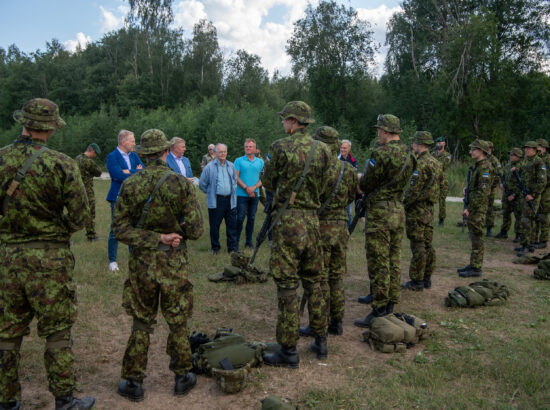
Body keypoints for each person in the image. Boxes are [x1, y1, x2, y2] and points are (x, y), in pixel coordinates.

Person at [0, 98, 95, 410]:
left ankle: (6, 400)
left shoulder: (1, 159)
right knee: (56, 332)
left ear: (24, 123)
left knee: (6, 332)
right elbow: (82, 217)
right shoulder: (62, 163)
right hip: (50, 261)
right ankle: (64, 401)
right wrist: (57, 230)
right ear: (51, 128)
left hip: (7, 258)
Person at [113, 129, 203, 402]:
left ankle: (133, 381)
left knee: (141, 321)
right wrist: (170, 235)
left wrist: (152, 237)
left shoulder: (130, 184)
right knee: (177, 321)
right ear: (165, 152)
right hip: (173, 261)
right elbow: (197, 230)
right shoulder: (181, 183)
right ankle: (182, 377)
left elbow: (120, 229)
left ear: (141, 154)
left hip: (142, 262)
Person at [262, 101, 332, 366]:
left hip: (288, 223)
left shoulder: (280, 147)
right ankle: (321, 340)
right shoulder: (324, 150)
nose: (283, 123)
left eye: (284, 119)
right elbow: (326, 185)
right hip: (313, 221)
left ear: (292, 121)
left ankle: (289, 350)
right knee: (315, 282)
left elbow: (267, 182)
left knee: (288, 286)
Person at [354, 114, 416, 328]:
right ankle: (390, 302)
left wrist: (360, 182)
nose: (378, 133)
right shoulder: (410, 153)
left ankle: (379, 309)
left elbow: (368, 182)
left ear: (387, 131)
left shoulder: (380, 153)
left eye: (380, 130)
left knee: (379, 260)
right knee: (394, 259)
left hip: (380, 212)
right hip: (398, 210)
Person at [299, 126, 357, 338]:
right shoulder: (348, 170)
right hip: (341, 226)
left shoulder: (316, 168)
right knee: (336, 276)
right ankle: (337, 321)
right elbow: (352, 197)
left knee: (319, 278)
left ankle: (318, 324)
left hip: (321, 226)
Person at [402, 131, 441, 291]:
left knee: (417, 245)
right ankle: (427, 277)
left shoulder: (421, 164)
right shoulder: (436, 163)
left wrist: (403, 203)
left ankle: (417, 279)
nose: (412, 146)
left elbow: (412, 190)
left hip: (417, 210)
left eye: (414, 144)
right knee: (427, 244)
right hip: (429, 209)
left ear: (419, 144)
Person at [106, 130, 144, 271]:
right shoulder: (112, 156)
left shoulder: (134, 155)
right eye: (132, 141)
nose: (135, 144)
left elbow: (143, 172)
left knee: (133, 227)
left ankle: (133, 257)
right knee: (115, 229)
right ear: (123, 142)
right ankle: (112, 261)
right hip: (117, 197)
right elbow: (117, 175)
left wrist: (128, 171)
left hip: (134, 198)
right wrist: (135, 171)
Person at [457, 139, 492, 277]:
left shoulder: (484, 168)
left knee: (477, 237)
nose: (470, 152)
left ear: (482, 151)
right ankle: (473, 264)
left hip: (477, 209)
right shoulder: (477, 166)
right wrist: (467, 189)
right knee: (473, 236)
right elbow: (476, 187)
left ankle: (476, 268)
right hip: (474, 207)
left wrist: (469, 208)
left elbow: (483, 193)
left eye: (474, 149)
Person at [199, 143, 238, 254]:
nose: (223, 154)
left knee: (232, 226)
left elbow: (235, 180)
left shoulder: (231, 165)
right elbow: (202, 184)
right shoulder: (209, 167)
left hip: (230, 200)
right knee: (215, 226)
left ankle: (232, 248)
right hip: (216, 201)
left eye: (224, 151)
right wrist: (211, 192)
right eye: (220, 151)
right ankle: (215, 248)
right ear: (215, 153)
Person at [514, 141, 547, 256]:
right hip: (524, 195)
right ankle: (526, 244)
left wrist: (533, 194)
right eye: (525, 148)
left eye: (528, 148)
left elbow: (542, 181)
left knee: (527, 220)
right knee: (525, 219)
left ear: (535, 150)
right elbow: (524, 175)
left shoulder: (539, 162)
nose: (526, 150)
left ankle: (527, 246)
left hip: (532, 196)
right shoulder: (526, 161)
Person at [235, 139, 264, 249]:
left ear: (255, 149)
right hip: (242, 194)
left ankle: (248, 242)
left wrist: (254, 187)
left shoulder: (260, 162)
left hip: (255, 194)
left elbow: (263, 178)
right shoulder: (238, 161)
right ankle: (236, 242)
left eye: (250, 146)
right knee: (240, 218)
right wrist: (246, 188)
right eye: (246, 146)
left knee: (251, 218)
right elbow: (236, 177)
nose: (248, 148)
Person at [75, 143, 103, 241]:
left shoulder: (77, 158)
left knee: (75, 212)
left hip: (76, 189)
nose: (95, 157)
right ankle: (91, 235)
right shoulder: (89, 162)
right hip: (87, 190)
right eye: (95, 154)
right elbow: (99, 172)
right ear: (93, 151)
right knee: (90, 212)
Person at [494, 148, 523, 241]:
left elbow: (522, 183)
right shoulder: (508, 165)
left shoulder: (522, 166)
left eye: (513, 155)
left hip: (516, 195)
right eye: (510, 154)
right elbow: (505, 177)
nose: (511, 156)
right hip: (506, 193)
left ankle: (518, 234)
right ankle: (504, 231)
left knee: (518, 215)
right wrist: (502, 184)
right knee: (505, 213)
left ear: (518, 156)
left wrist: (514, 194)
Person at [432, 137, 452, 226]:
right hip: (433, 180)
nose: (438, 144)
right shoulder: (432, 154)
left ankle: (441, 219)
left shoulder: (447, 155)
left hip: (443, 181)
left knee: (441, 200)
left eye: (440, 143)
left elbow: (443, 165)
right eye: (437, 143)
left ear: (444, 144)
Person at [534, 139, 550, 249]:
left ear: (543, 148)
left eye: (538, 146)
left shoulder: (548, 159)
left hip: (546, 192)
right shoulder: (537, 159)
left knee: (543, 215)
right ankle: (534, 238)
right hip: (537, 191)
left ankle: (544, 240)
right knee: (536, 215)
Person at [338, 139, 358, 227]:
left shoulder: (353, 160)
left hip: (349, 189)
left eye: (344, 148)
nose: (342, 149)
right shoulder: (336, 159)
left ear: (349, 149)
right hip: (338, 189)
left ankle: (348, 230)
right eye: (341, 148)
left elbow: (355, 175)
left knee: (349, 212)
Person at [485, 141, 502, 237]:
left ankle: (489, 228)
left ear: (490, 149)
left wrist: (492, 187)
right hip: (481, 188)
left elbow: (498, 175)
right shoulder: (482, 159)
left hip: (490, 189)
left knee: (489, 209)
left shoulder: (495, 161)